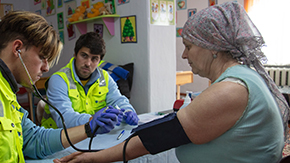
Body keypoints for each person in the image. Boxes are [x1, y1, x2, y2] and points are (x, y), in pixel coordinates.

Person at [54, 2, 290, 163]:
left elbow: (162, 135)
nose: (184, 55)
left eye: (188, 46)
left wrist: (94, 158)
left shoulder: (231, 89)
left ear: (213, 47)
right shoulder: (241, 78)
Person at [0, 11, 122, 162]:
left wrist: (89, 128)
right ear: (17, 48)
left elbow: (33, 139)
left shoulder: (7, 94)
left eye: (94, 59)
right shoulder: (59, 78)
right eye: (42, 57)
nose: (46, 68)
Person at [41, 32, 139, 130]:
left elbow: (117, 100)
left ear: (100, 61)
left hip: (92, 135)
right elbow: (64, 119)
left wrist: (128, 111)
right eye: (84, 55)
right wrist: (92, 120)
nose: (88, 63)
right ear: (75, 54)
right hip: (60, 139)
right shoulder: (58, 80)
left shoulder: (104, 77)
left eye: (94, 59)